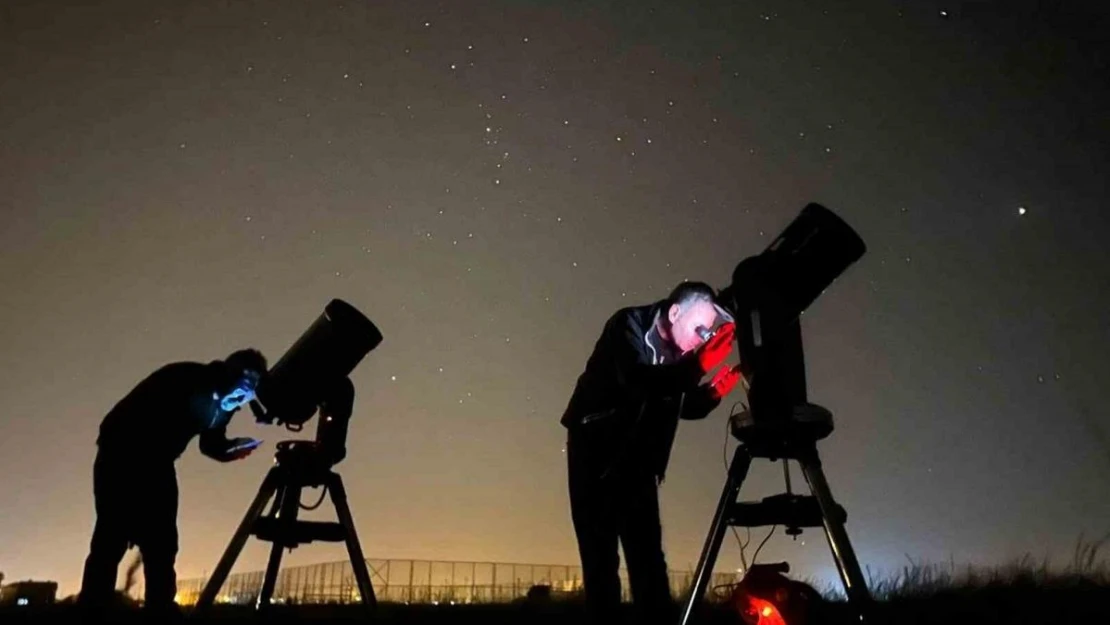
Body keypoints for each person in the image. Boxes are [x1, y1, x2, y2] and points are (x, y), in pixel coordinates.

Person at [561, 281, 745, 625]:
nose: (703, 338)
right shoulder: (628, 325)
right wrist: (699, 365)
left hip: (639, 463)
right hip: (595, 452)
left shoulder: (682, 355)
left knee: (649, 563)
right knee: (600, 562)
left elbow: (679, 403)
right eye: (700, 328)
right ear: (675, 312)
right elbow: (638, 382)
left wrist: (715, 392)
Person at [77, 348, 268, 619]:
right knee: (112, 536)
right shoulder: (185, 378)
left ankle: (160, 608)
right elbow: (148, 422)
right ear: (230, 374)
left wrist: (232, 449)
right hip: (121, 454)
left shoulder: (224, 400)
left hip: (159, 462)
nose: (239, 404)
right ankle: (93, 608)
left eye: (245, 399)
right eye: (241, 394)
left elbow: (210, 443)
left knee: (163, 543)